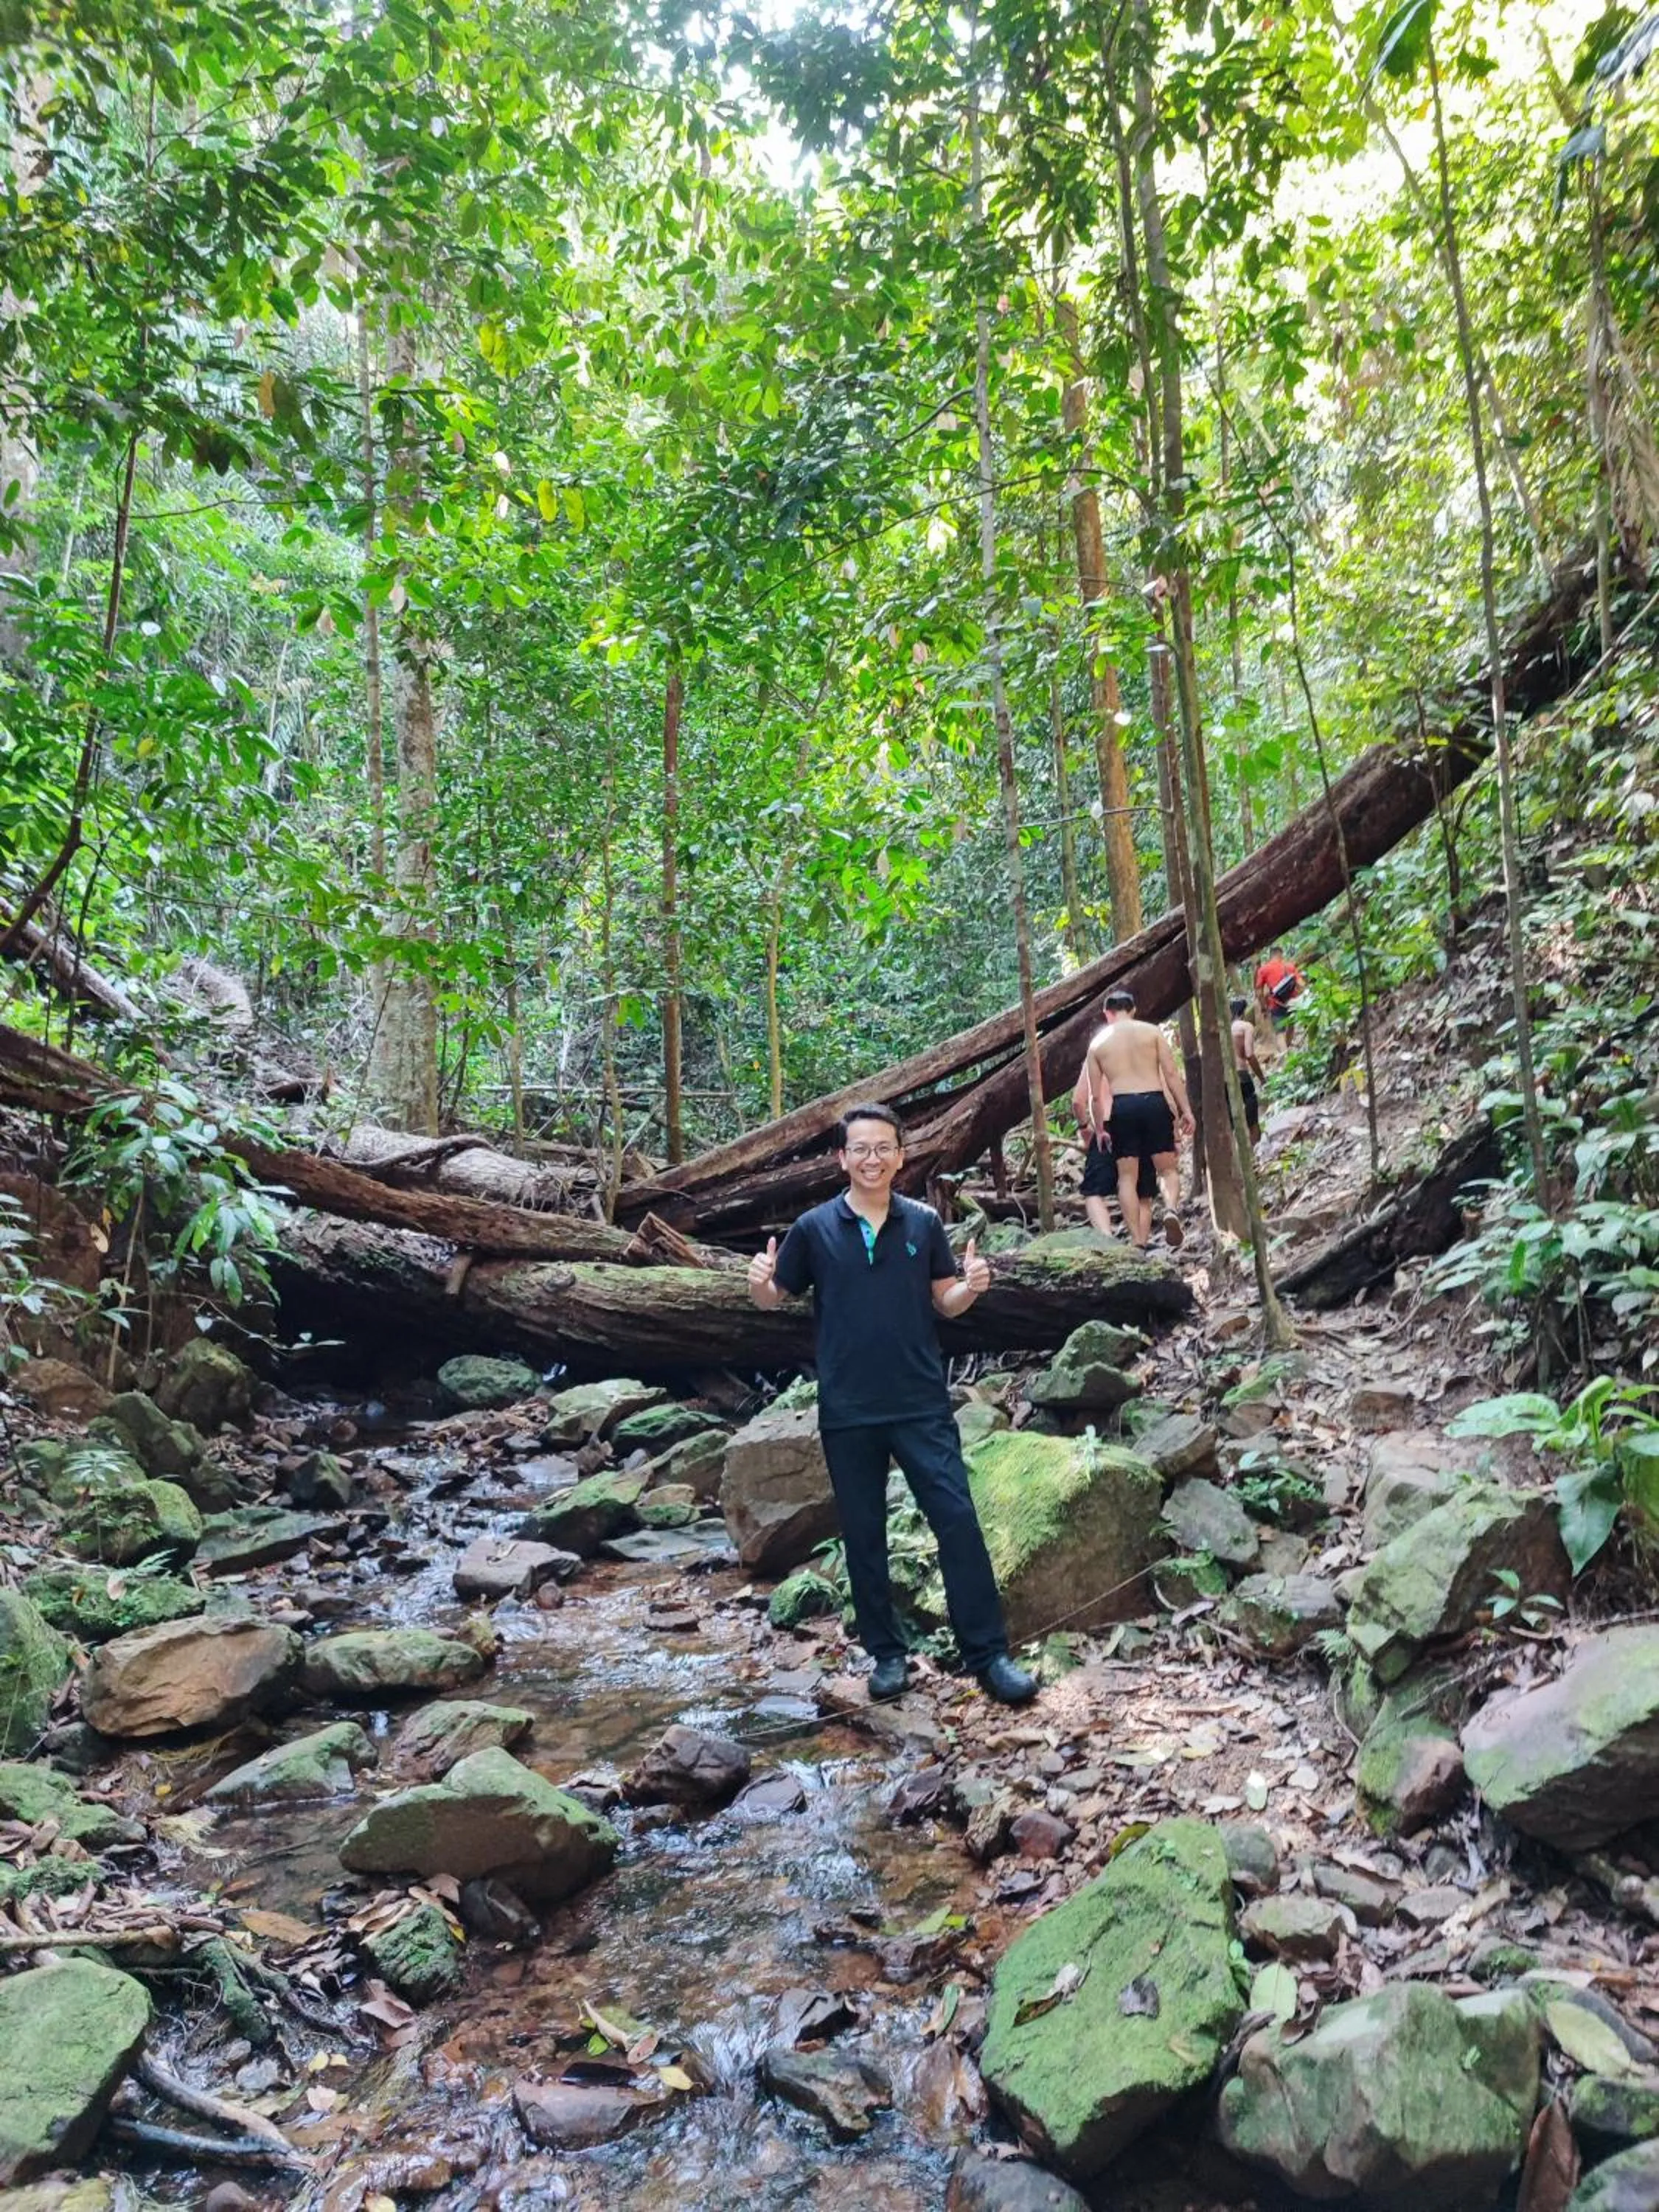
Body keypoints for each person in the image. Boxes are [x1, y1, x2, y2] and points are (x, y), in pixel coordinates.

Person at [746, 1102, 1037, 1708]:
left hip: (920, 1402)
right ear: (842, 1158)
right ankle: (887, 1654)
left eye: (883, 1148)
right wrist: (758, 1281)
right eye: (860, 1148)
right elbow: (774, 1296)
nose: (872, 1159)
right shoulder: (814, 1228)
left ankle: (988, 1655)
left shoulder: (923, 1223)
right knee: (864, 1533)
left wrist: (971, 1287)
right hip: (848, 1407)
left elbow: (945, 1301)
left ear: (901, 1157)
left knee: (956, 1520)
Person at [1077, 989, 1194, 1250]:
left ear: (1107, 1013)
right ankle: (1171, 1209)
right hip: (1154, 1102)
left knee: (1127, 1179)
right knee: (1167, 1170)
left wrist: (1099, 1129)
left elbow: (1095, 1097)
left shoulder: (1097, 1044)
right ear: (1133, 1010)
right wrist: (1185, 1111)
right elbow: (1171, 1075)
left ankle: (1137, 1241)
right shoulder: (1152, 1032)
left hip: (1123, 1107)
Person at [1254, 944, 1306, 1048]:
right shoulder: (1290, 966)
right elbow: (1301, 984)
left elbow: (1259, 992)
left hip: (1275, 1004)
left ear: (1271, 955)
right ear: (1281, 954)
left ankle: (1285, 1054)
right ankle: (1289, 1051)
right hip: (1292, 1003)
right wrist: (1300, 997)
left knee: (1279, 1033)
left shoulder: (1263, 970)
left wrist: (1264, 1007)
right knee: (1291, 1026)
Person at [1230, 994, 1265, 1147]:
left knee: (1230, 1120)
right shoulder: (1246, 1027)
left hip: (1225, 1079)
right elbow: (1249, 1054)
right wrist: (1262, 1078)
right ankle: (1255, 1151)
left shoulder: (1223, 1029)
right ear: (1243, 1012)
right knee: (1252, 1118)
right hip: (1242, 1075)